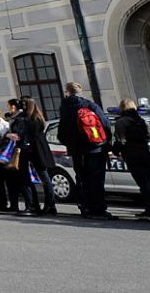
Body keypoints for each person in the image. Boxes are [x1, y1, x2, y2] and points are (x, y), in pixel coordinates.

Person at [58, 81, 114, 220]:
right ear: (81, 91)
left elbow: (61, 133)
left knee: (82, 178)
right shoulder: (90, 105)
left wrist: (70, 144)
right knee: (97, 179)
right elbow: (105, 124)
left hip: (77, 150)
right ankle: (99, 208)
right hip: (96, 148)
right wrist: (106, 143)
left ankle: (85, 207)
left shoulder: (64, 108)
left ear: (67, 92)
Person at [111, 99, 150, 219]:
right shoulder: (141, 120)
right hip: (145, 153)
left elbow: (120, 140)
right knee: (148, 181)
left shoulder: (121, 122)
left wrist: (115, 151)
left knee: (142, 182)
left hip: (132, 155)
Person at [11, 97, 56, 215]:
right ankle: (49, 205)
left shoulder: (25, 118)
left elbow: (18, 132)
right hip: (39, 151)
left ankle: (32, 205)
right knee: (45, 179)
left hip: (28, 151)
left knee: (26, 178)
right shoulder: (38, 117)